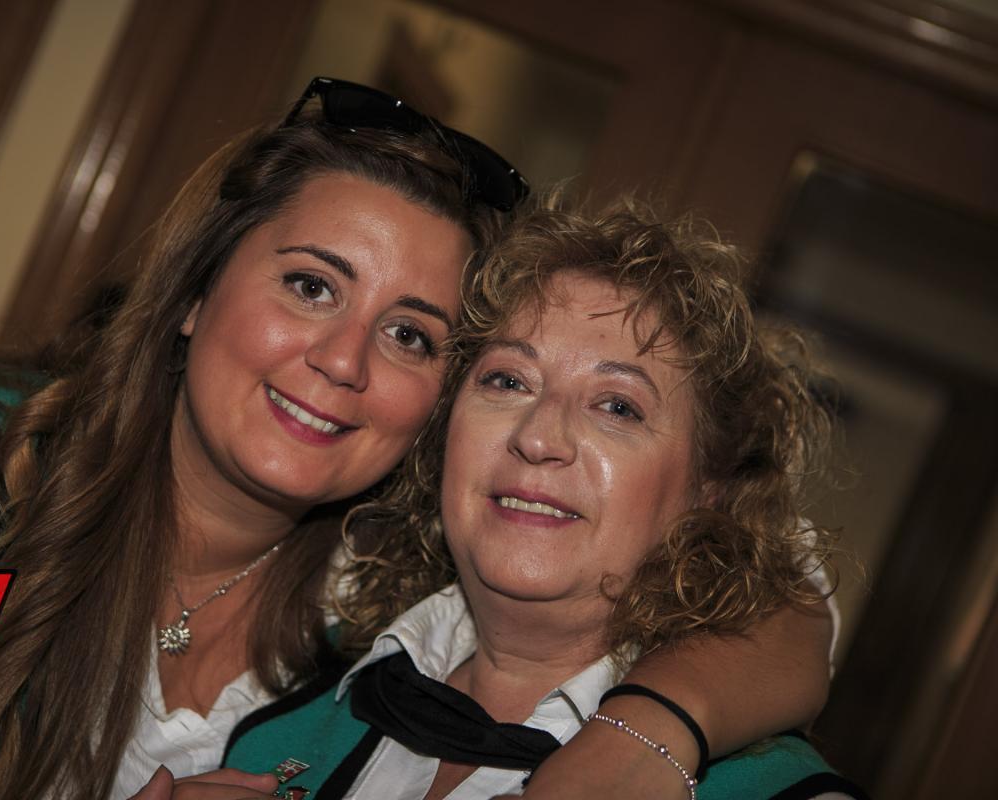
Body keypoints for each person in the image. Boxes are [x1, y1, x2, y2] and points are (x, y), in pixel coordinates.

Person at [0, 79, 830, 800]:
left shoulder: (372, 588)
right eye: (311, 285)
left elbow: (780, 589)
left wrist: (652, 728)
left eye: (411, 334)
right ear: (195, 291)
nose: (343, 359)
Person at [221, 202, 860, 799]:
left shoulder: (774, 790)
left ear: (708, 492)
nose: (538, 437)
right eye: (508, 380)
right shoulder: (279, 721)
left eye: (618, 407)